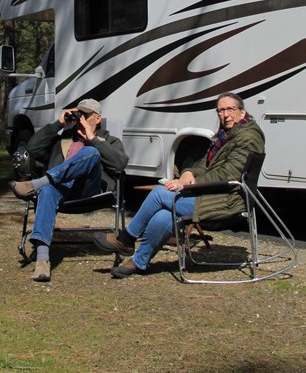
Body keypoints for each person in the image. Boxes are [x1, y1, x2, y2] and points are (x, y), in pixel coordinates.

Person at [93, 92, 264, 278]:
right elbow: (204, 164)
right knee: (164, 215)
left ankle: (126, 239)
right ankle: (138, 262)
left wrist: (191, 183)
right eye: (221, 110)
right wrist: (188, 173)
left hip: (228, 201)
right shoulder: (227, 135)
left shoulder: (248, 137)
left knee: (159, 194)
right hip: (215, 195)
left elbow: (229, 174)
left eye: (230, 109)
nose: (225, 114)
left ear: (242, 112)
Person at [9, 98, 128, 283]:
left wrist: (93, 140)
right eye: (79, 114)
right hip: (61, 190)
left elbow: (120, 164)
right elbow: (31, 149)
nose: (81, 119)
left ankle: (37, 184)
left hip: (90, 192)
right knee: (47, 191)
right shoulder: (63, 139)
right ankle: (42, 259)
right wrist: (58, 124)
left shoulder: (109, 141)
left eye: (86, 115)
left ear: (97, 118)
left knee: (92, 153)